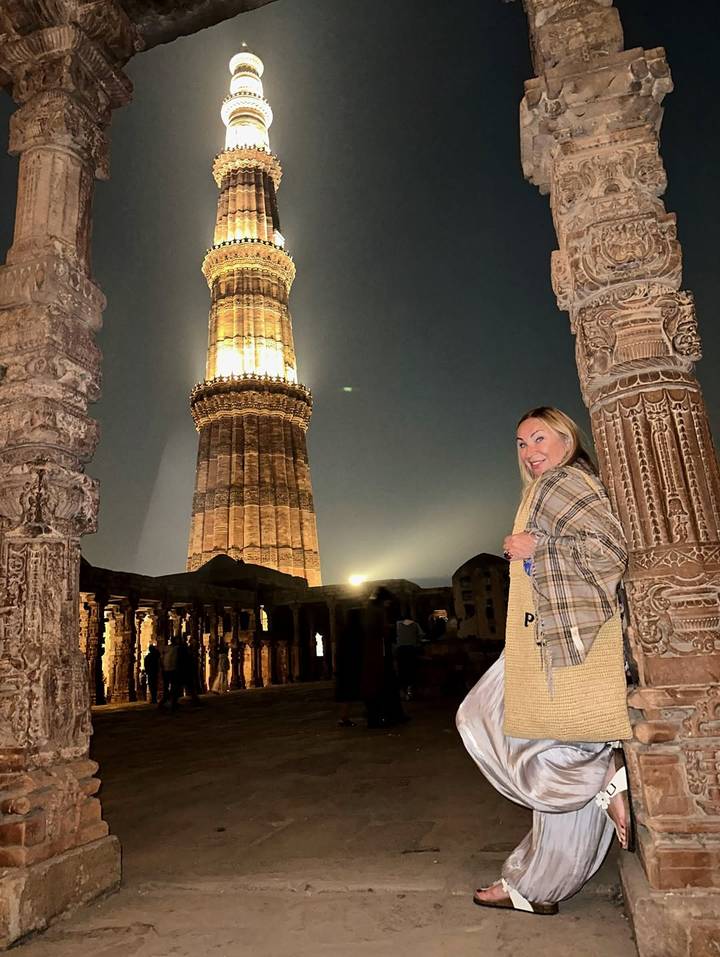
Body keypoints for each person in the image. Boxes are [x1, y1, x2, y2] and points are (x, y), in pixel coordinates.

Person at [456, 406, 632, 915]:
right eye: (521, 443)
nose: (530, 452)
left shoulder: (565, 484)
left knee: (544, 747)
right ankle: (540, 880)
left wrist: (540, 548)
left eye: (540, 438)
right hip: (550, 641)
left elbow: (609, 549)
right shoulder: (551, 486)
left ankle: (541, 879)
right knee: (549, 746)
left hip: (569, 645)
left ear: (566, 438)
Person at [158, 635, 180, 711]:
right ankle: (167, 702)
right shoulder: (176, 649)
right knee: (174, 687)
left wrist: (162, 668)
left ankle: (170, 702)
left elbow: (161, 659)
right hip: (172, 670)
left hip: (166, 670)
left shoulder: (166, 648)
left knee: (169, 687)